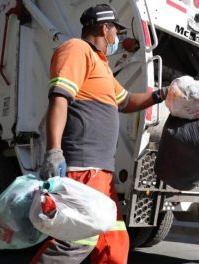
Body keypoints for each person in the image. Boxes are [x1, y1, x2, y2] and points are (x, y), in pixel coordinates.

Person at [31, 4, 168, 264]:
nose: (116, 37)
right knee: (74, 242)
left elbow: (127, 101)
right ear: (105, 28)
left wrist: (162, 94)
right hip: (84, 168)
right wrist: (54, 150)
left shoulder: (102, 66)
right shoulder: (76, 50)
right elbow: (60, 99)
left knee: (114, 244)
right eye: (116, 30)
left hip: (101, 175)